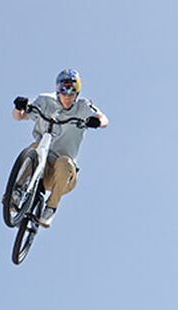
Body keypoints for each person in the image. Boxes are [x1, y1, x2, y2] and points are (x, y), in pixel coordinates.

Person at [11, 68, 107, 227]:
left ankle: (51, 208)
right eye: (64, 92)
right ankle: (16, 191)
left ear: (77, 94)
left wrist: (96, 122)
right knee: (35, 147)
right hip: (42, 163)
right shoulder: (45, 101)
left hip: (61, 176)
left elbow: (104, 119)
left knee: (64, 162)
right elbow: (19, 117)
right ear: (58, 91)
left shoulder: (83, 107)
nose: (67, 97)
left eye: (72, 94)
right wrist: (18, 107)